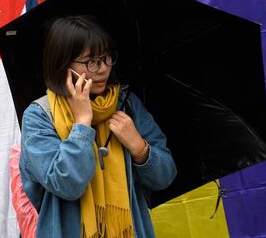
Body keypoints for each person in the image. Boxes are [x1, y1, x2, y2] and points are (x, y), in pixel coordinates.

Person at [19, 15, 177, 238]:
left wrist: (140, 148)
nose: (103, 68)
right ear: (63, 63)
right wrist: (82, 123)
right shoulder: (39, 115)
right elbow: (66, 184)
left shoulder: (126, 104)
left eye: (107, 58)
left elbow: (165, 177)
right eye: (91, 61)